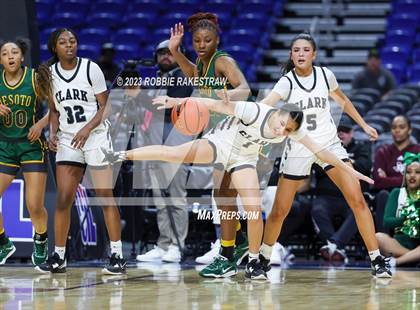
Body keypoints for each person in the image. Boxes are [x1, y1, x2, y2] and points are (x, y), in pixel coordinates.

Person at [105, 95, 374, 279]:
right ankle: (121, 155)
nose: (282, 131)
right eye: (282, 123)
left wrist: (350, 170)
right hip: (220, 144)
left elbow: (322, 152)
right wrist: (175, 101)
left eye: (288, 129)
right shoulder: (254, 110)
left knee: (254, 208)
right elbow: (209, 103)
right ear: (277, 112)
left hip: (244, 158)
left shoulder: (292, 130)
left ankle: (255, 261)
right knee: (173, 154)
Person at [258, 33, 392, 278]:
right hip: (299, 148)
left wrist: (363, 125)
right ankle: (263, 258)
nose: (300, 54)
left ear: (314, 54)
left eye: (305, 50)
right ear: (291, 54)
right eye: (296, 50)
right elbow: (267, 103)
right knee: (279, 210)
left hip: (329, 145)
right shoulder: (287, 82)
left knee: (358, 200)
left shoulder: (325, 75)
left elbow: (343, 100)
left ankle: (377, 259)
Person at [35, 28, 125, 274]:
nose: (69, 45)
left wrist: (86, 129)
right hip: (67, 139)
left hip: (95, 136)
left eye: (72, 41)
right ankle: (59, 256)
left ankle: (117, 254)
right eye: (63, 42)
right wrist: (52, 134)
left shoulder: (90, 68)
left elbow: (106, 107)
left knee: (105, 194)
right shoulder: (49, 75)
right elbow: (54, 110)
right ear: (55, 48)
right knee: (64, 199)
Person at [168, 12, 251, 274]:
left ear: (217, 41)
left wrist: (224, 97)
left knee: (225, 194)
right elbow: (195, 77)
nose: (201, 45)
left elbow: (245, 89)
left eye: (207, 40)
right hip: (220, 133)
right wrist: (176, 51)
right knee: (223, 195)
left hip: (235, 132)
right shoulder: (202, 63)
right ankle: (237, 242)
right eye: (197, 41)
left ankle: (228, 254)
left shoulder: (222, 60)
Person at [125, 39, 193, 263]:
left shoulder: (184, 76)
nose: (166, 56)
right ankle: (164, 244)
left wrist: (139, 96)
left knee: (175, 198)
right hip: (155, 145)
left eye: (170, 52)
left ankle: (177, 245)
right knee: (160, 199)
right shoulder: (155, 79)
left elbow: (167, 107)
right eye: (161, 52)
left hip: (175, 145)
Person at [0, 39, 49, 266]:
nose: (10, 56)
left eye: (14, 52)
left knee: (34, 205)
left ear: (22, 57)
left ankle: (40, 239)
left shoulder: (34, 78)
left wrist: (41, 124)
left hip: (31, 145)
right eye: (5, 53)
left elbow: (56, 107)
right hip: (5, 146)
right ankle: (3, 243)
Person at [311, 116, 372, 263]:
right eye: (338, 131)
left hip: (350, 197)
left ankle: (333, 245)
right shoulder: (324, 149)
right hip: (326, 197)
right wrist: (349, 164)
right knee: (317, 210)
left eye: (345, 131)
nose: (341, 134)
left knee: (359, 211)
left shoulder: (361, 148)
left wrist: (339, 162)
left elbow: (364, 167)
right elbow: (318, 170)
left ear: (351, 133)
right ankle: (337, 248)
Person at [373, 115, 420, 232]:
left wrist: (388, 179)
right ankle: (382, 241)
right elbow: (378, 182)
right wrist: (406, 178)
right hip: (389, 195)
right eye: (394, 127)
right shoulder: (383, 152)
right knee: (383, 194)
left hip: (413, 193)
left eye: (401, 127)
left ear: (409, 130)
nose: (397, 130)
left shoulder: (418, 151)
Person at [376, 153, 420, 267]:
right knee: (378, 237)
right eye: (409, 172)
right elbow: (387, 221)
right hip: (398, 245)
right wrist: (406, 218)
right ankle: (413, 258)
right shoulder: (397, 193)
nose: (412, 175)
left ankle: (396, 262)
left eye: (417, 172)